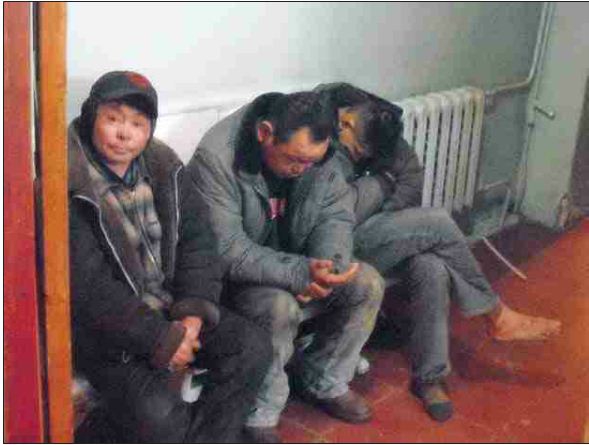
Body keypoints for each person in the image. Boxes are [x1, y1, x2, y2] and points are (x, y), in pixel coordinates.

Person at [316, 82, 562, 423]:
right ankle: (496, 314)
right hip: (335, 242)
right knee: (437, 222)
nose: (361, 157)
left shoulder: (380, 124)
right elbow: (336, 211)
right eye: (358, 150)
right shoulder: (320, 134)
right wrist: (380, 186)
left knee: (431, 265)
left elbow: (411, 180)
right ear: (345, 123)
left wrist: (385, 209)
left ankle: (429, 378)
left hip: (379, 226)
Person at [69, 70, 272, 443]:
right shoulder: (68, 182)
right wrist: (160, 338)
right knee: (161, 416)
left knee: (251, 348)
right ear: (90, 117)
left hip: (171, 308)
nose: (124, 133)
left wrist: (192, 314)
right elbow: (88, 288)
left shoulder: (165, 166)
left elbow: (198, 243)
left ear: (149, 129)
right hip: (109, 334)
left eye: (137, 123)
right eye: (112, 119)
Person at [184, 91, 385, 443]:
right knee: (278, 305)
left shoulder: (320, 153)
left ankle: (324, 379)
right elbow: (227, 251)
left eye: (311, 162)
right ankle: (261, 412)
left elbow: (335, 215)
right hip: (235, 278)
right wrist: (298, 273)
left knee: (367, 283)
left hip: (297, 262)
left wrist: (328, 267)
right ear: (265, 133)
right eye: (295, 160)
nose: (302, 169)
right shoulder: (216, 158)